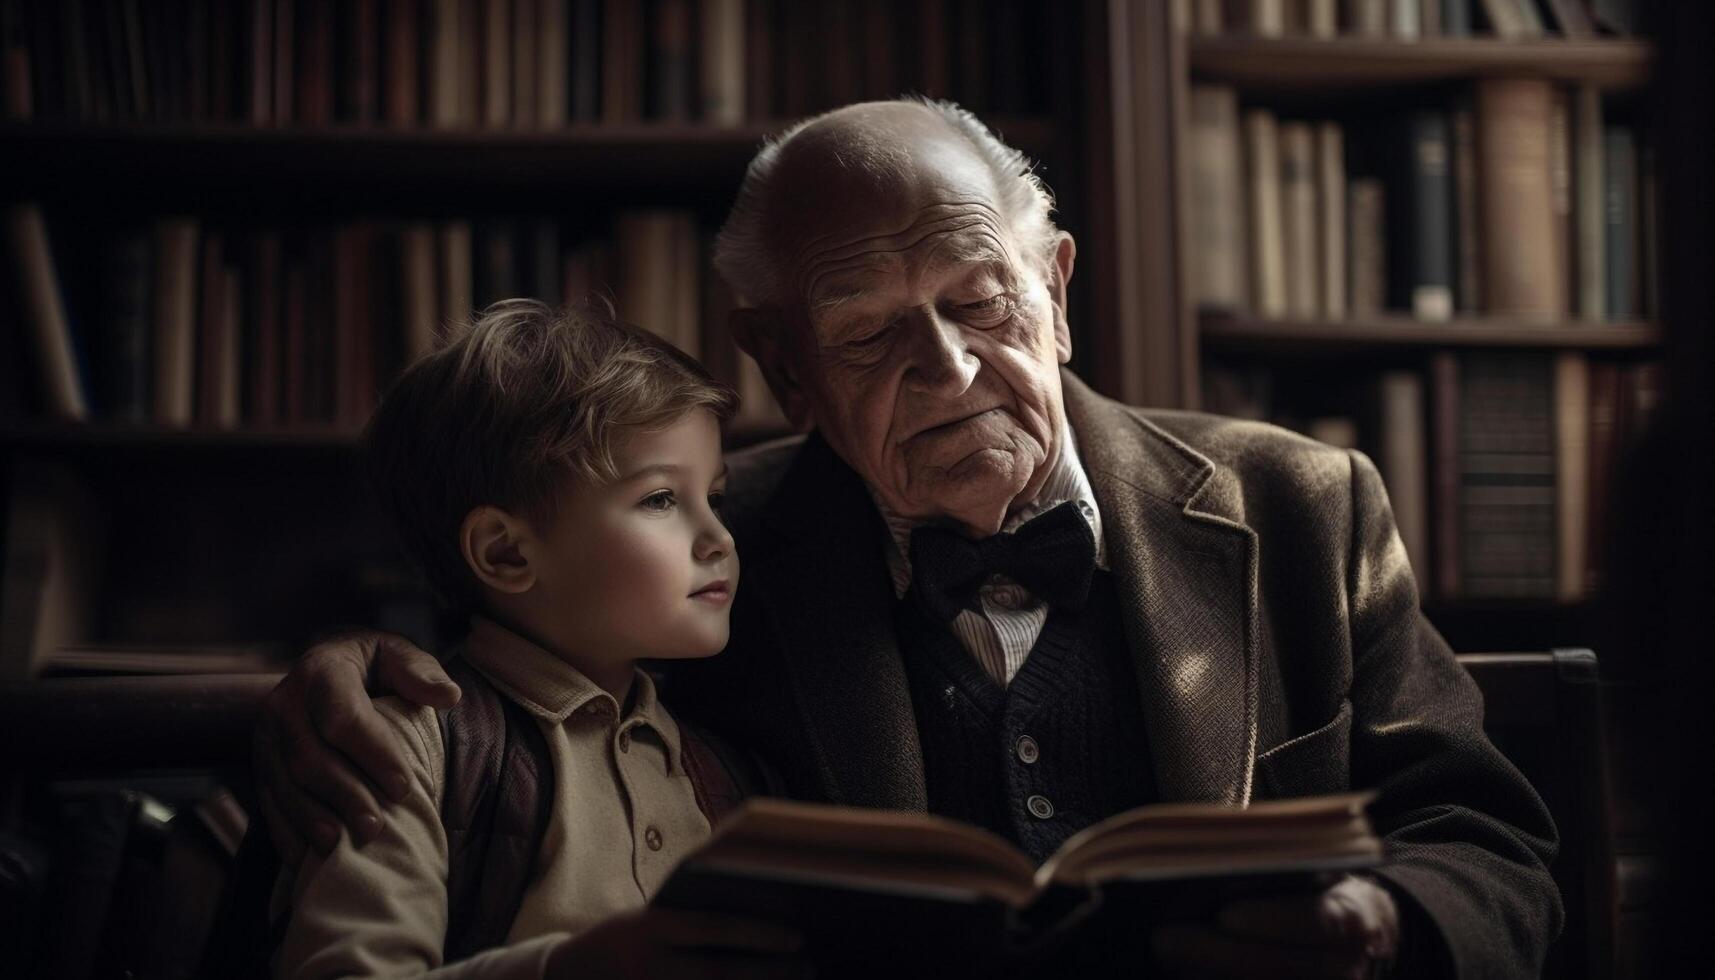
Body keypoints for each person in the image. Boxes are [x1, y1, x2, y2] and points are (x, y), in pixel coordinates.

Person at [257, 100, 1561, 978]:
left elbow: (1487, 844)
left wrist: (1383, 919)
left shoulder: (1301, 503)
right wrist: (354, 665)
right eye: (870, 331)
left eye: (976, 299)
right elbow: (512, 662)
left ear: (1051, 289)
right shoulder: (706, 556)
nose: (944, 371)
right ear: (782, 366)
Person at [271, 301, 804, 979]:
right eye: (661, 500)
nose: (719, 538)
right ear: (505, 553)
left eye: (716, 498)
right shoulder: (413, 744)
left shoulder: (723, 771)